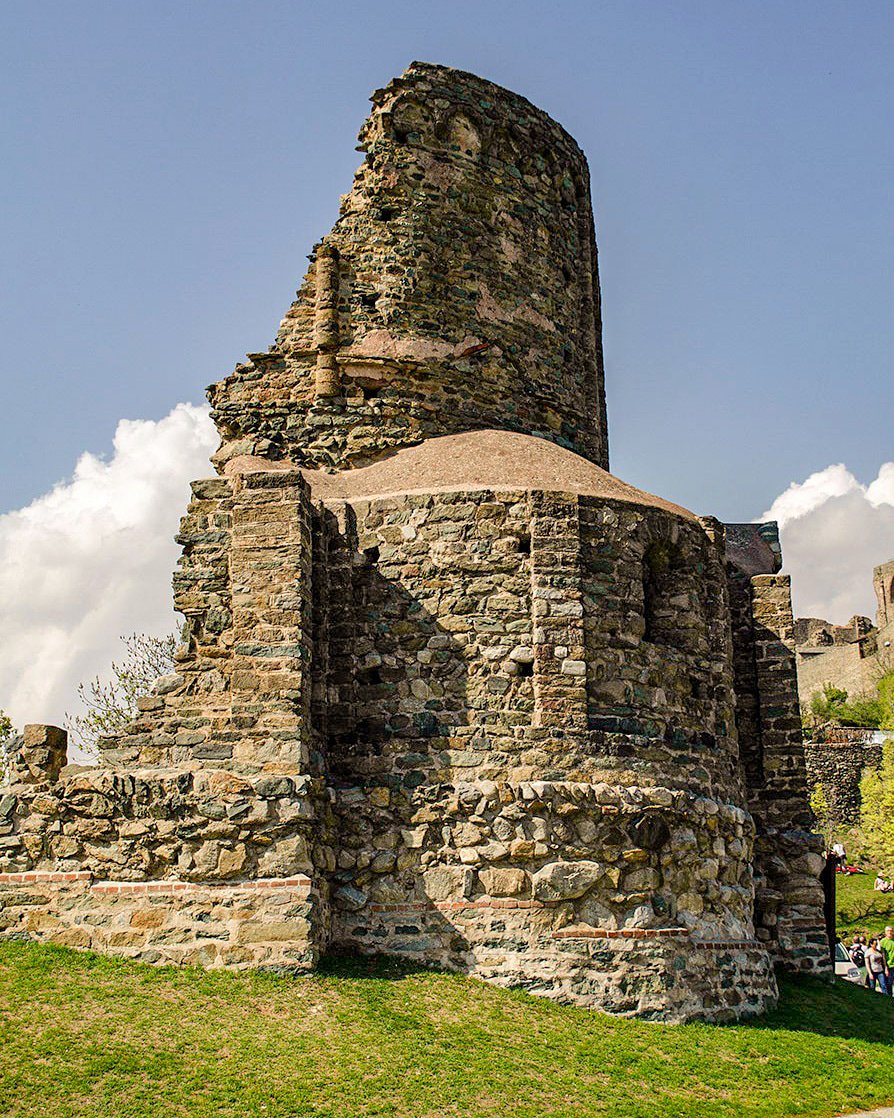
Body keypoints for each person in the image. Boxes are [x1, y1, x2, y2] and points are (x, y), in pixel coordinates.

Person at [879, 926, 894, 994]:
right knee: (889, 984)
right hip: (889, 966)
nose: (890, 932)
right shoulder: (883, 942)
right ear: (885, 932)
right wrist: (885, 968)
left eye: (891, 930)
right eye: (888, 931)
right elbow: (883, 956)